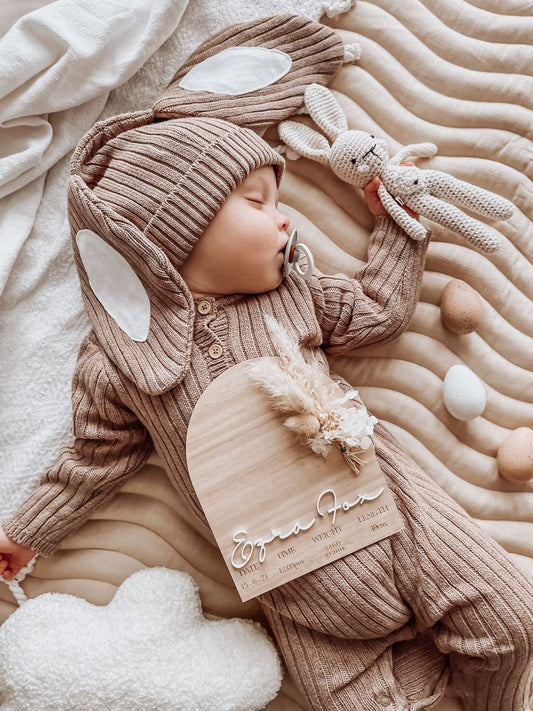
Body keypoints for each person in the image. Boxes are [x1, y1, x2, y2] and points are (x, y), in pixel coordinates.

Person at [0, 115, 532, 711]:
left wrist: (399, 227)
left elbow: (378, 310)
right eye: (257, 201)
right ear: (175, 231)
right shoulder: (124, 355)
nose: (285, 218)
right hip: (290, 583)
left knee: (511, 622)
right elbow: (97, 456)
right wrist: (26, 533)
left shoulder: (293, 295)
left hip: (396, 515)